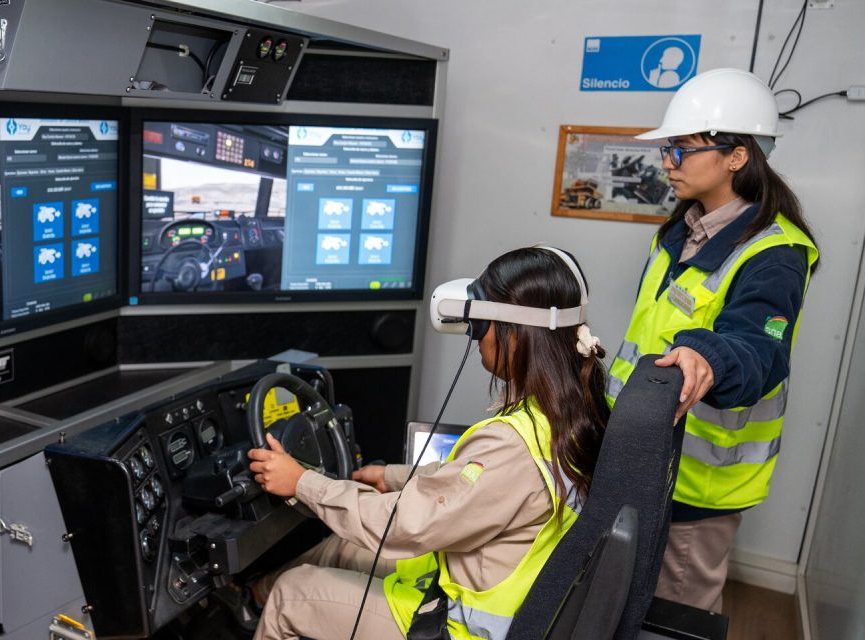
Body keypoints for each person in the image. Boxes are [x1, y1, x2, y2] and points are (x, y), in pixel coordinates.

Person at [247, 247, 609, 640]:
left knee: (290, 595)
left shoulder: (511, 446)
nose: (476, 339)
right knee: (343, 549)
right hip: (483, 581)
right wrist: (394, 476)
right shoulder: (571, 409)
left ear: (516, 335)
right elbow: (477, 487)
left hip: (463, 629)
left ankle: (263, 603)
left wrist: (301, 482)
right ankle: (250, 601)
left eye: (480, 326)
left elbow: (401, 526)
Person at [610, 67, 819, 613]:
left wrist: (709, 354)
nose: (667, 163)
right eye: (667, 150)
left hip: (698, 486)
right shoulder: (679, 231)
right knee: (620, 602)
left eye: (681, 149)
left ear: (737, 155)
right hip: (637, 455)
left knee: (676, 615)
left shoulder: (775, 253)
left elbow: (757, 351)